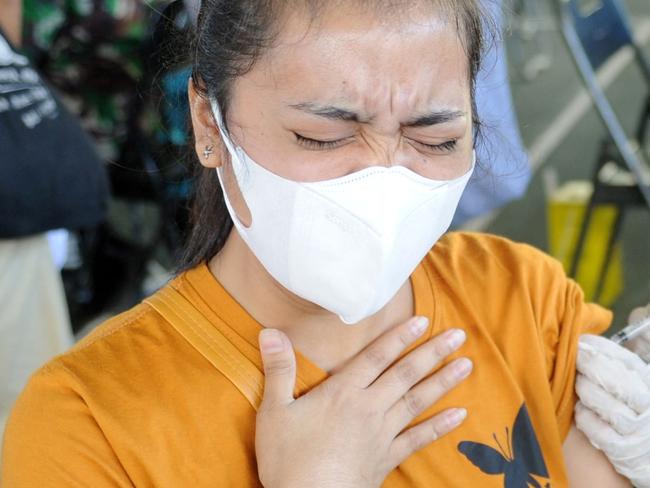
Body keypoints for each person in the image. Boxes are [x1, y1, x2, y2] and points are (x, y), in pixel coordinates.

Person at [1, 1, 647, 486]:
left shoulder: (520, 296)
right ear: (209, 124)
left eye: (436, 139)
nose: (386, 179)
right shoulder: (89, 427)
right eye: (324, 136)